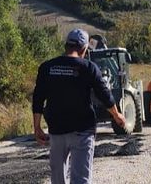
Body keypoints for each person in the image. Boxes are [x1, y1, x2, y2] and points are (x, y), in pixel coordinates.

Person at [32, 28, 126, 184]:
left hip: (57, 131)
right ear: (84, 49)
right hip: (82, 131)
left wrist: (36, 127)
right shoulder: (89, 68)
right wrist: (117, 115)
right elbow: (104, 95)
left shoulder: (47, 67)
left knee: (57, 180)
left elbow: (38, 99)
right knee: (80, 180)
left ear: (66, 46)